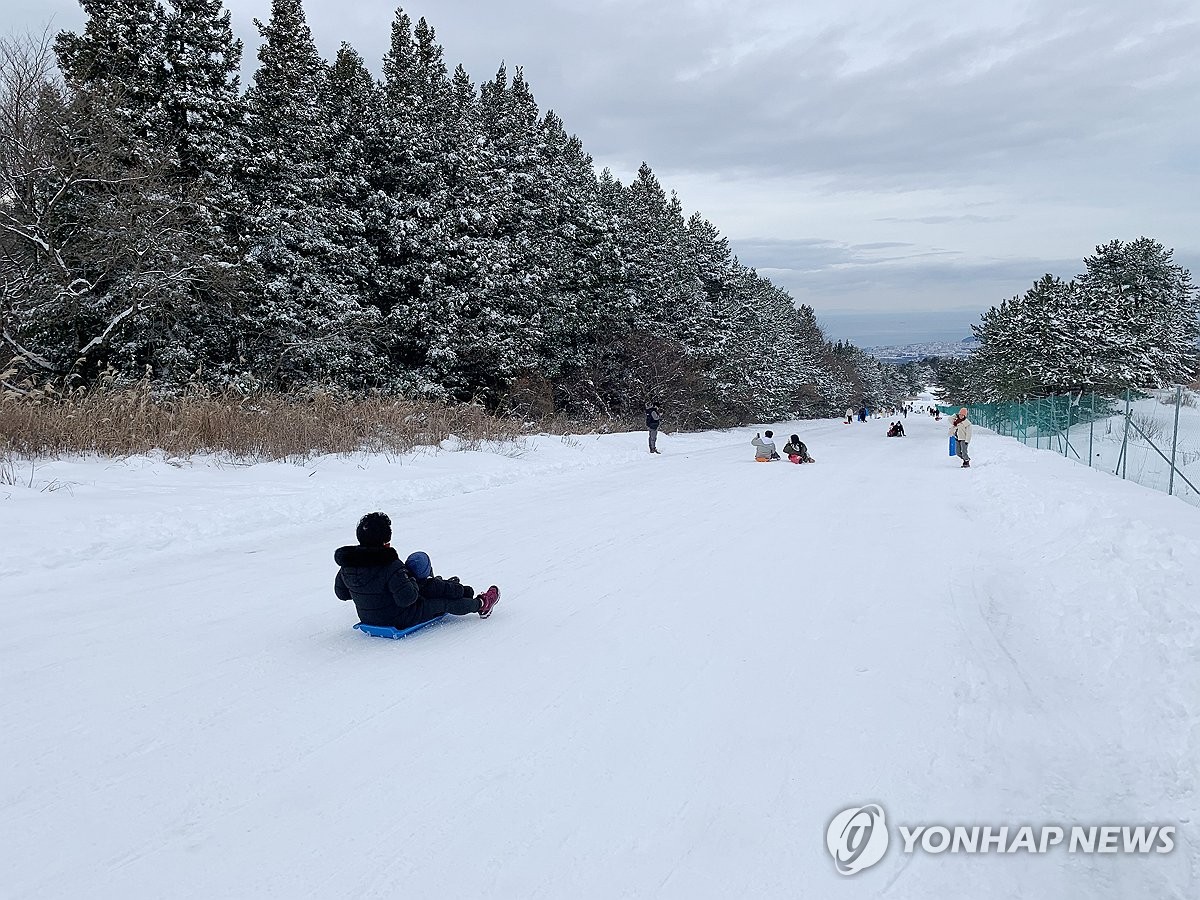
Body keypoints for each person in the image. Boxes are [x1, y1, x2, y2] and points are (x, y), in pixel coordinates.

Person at [334, 512, 500, 628]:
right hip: (398, 618)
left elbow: (342, 594)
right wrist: (412, 580)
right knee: (442, 603)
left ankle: (446, 587)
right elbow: (407, 599)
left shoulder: (347, 564)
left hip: (367, 617)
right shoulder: (391, 565)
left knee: (426, 587)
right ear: (385, 542)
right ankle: (482, 604)